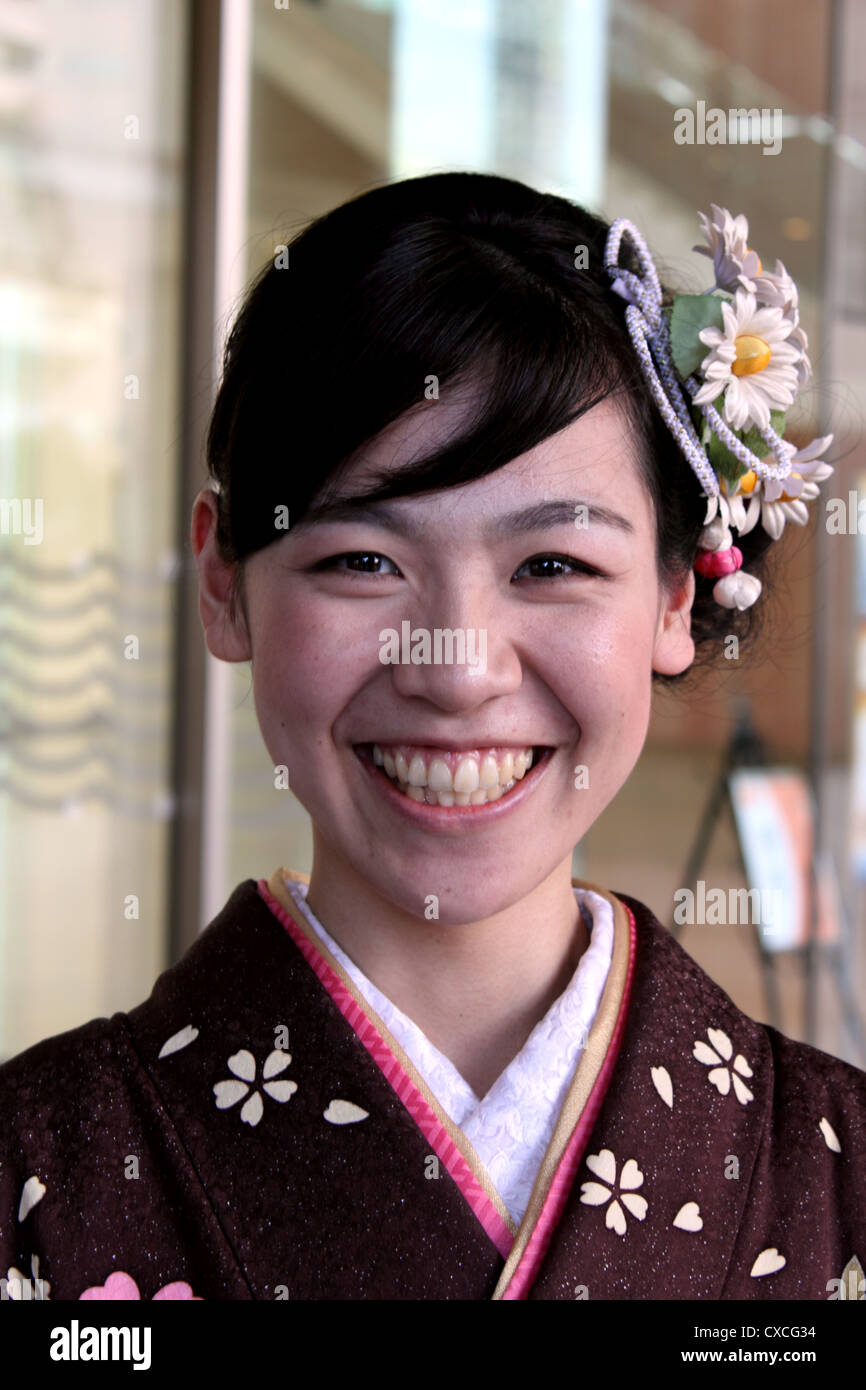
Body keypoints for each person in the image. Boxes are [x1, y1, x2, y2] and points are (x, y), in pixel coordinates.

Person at [1, 173, 864, 1303]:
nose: (456, 670)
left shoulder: (833, 1174)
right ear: (224, 582)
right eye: (363, 561)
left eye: (551, 566)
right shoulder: (39, 1182)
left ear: (670, 593)